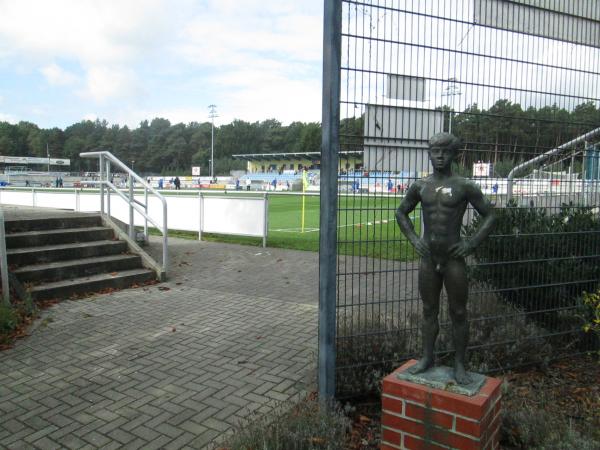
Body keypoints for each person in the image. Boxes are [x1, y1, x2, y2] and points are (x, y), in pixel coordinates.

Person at [395, 132, 496, 384]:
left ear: (454, 154)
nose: (439, 156)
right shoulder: (420, 186)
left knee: (459, 312)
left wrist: (471, 243)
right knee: (429, 310)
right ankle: (427, 357)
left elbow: (491, 215)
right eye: (435, 151)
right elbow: (401, 213)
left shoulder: (464, 186)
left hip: (453, 259)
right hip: (429, 258)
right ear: (429, 154)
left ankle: (460, 364)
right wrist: (415, 240)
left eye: (445, 152)